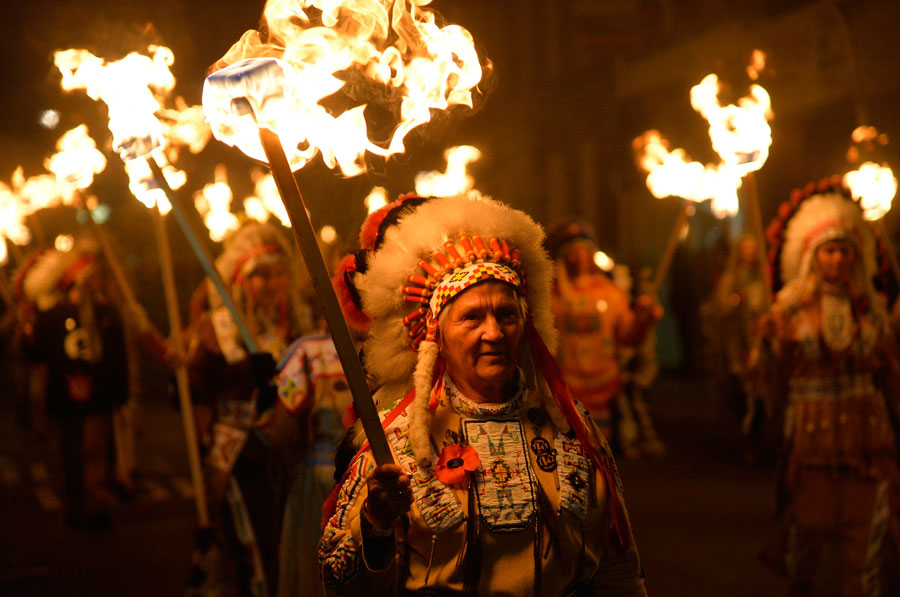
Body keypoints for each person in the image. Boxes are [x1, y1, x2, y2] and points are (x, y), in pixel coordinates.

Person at [318, 194, 647, 595]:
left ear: (526, 323)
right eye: (472, 317)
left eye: (506, 314)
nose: (493, 333)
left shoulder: (570, 429)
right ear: (437, 335)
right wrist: (376, 524)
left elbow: (619, 568)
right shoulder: (395, 445)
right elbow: (339, 580)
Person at [751, 179, 900, 595]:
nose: (837, 259)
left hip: (869, 442)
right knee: (805, 541)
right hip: (813, 442)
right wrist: (769, 345)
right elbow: (764, 378)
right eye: (829, 251)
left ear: (857, 256)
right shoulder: (789, 308)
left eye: (845, 251)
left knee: (867, 546)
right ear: (812, 256)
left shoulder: (873, 310)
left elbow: (890, 372)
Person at [186, 220, 313, 596]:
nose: (272, 284)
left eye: (279, 274)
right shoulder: (218, 327)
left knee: (289, 541)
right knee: (251, 546)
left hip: (289, 451)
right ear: (241, 280)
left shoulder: (297, 327)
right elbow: (197, 392)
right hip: (239, 455)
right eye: (261, 276)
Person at [21, 239, 128, 529]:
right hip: (66, 397)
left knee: (96, 450)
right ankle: (76, 503)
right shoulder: (53, 316)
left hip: (98, 396)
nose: (95, 285)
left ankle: (97, 503)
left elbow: (117, 356)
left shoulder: (107, 314)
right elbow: (36, 354)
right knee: (72, 453)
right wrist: (27, 334)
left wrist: (120, 392)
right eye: (88, 280)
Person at [544, 219, 661, 455]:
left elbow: (627, 336)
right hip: (565, 389)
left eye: (584, 249)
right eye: (572, 251)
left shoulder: (611, 293)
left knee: (601, 451)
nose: (580, 256)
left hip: (604, 386)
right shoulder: (550, 297)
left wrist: (643, 318)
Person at [703, 234, 770, 465]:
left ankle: (757, 438)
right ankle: (743, 441)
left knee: (760, 395)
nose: (750, 252)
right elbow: (721, 308)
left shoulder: (764, 276)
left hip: (759, 344)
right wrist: (736, 300)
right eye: (746, 248)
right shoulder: (732, 277)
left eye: (753, 248)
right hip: (738, 346)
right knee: (741, 395)